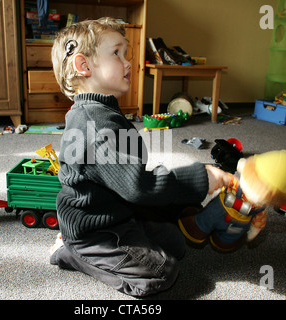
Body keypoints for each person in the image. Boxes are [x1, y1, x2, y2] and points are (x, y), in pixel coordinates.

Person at [49, 17, 231, 297]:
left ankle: (138, 228)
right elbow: (137, 185)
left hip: (119, 206)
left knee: (177, 241)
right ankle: (73, 252)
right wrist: (201, 177)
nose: (128, 62)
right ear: (84, 66)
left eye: (126, 53)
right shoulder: (94, 126)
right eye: (116, 53)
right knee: (161, 272)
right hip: (96, 228)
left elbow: (129, 173)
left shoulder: (104, 110)